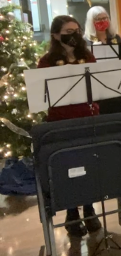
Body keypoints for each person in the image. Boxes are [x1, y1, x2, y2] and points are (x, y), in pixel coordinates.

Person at [38, 15, 101, 237]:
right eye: (68, 31)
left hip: (88, 118)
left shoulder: (88, 56)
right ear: (56, 35)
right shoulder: (46, 62)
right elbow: (43, 96)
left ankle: (89, 207)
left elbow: (98, 89)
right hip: (61, 122)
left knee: (90, 164)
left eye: (77, 30)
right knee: (71, 168)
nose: (74, 34)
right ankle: (72, 212)